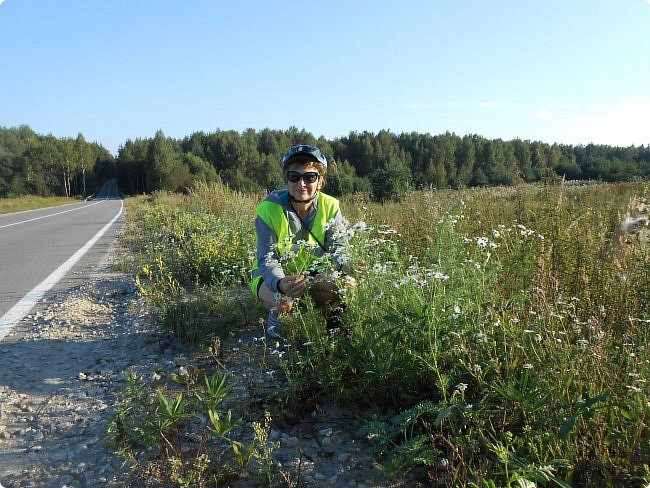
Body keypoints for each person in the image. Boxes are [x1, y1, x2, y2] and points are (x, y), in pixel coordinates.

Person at [251, 144, 355, 339]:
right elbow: (267, 258)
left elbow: (339, 249)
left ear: (320, 182)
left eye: (310, 177)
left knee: (345, 286)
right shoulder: (268, 209)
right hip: (273, 277)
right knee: (284, 300)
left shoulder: (330, 206)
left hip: (313, 275)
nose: (301, 184)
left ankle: (328, 319)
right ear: (286, 179)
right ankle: (277, 315)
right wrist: (280, 283)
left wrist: (345, 274)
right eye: (294, 177)